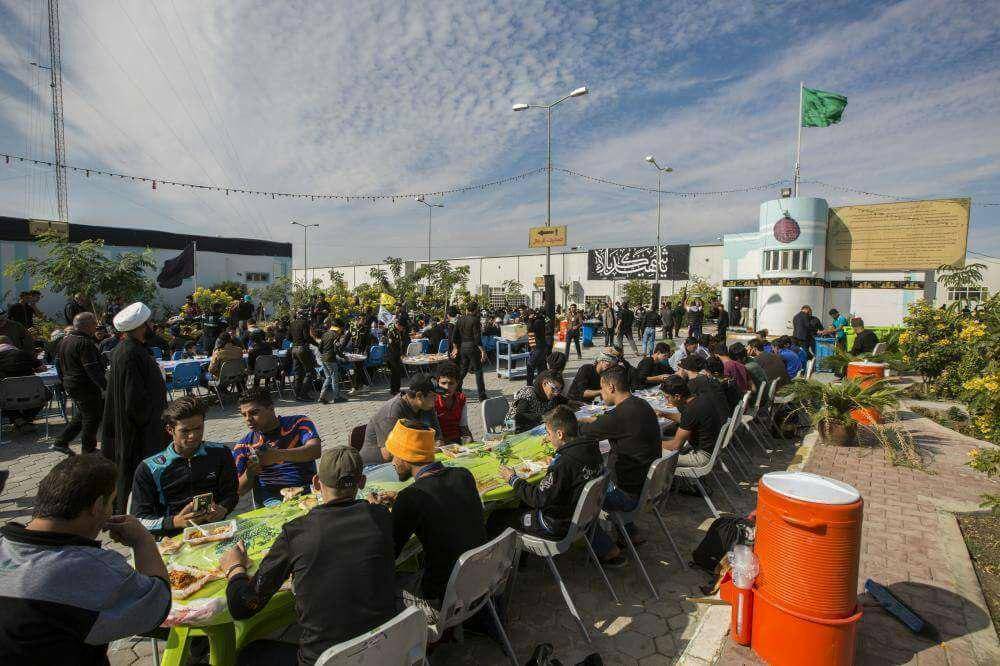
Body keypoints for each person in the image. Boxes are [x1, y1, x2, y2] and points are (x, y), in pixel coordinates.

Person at [221, 446, 397, 666]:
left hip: (325, 659)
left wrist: (235, 568)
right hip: (386, 649)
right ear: (361, 482)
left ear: (315, 483)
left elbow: (243, 606)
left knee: (250, 654)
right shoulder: (381, 516)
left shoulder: (296, 533)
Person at [0, 455, 171, 666]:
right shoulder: (85, 568)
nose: (110, 512)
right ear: (97, 505)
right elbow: (156, 604)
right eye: (110, 503)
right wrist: (143, 540)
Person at [382, 420, 487, 618]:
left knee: (384, 584)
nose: (393, 462)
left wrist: (378, 513)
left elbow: (389, 552)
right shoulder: (463, 475)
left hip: (443, 597)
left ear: (405, 456)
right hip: (479, 579)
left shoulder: (412, 497)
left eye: (394, 455)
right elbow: (440, 496)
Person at [579, 366, 661, 566]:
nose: (602, 393)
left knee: (577, 493)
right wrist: (597, 421)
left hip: (627, 493)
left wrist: (581, 422)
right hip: (646, 486)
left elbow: (585, 432)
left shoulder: (621, 414)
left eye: (602, 388)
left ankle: (607, 550)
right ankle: (630, 533)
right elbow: (609, 424)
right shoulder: (641, 405)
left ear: (612, 387)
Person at [489, 405, 604, 538]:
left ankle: (506, 557)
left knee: (496, 517)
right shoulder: (592, 447)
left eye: (549, 434)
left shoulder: (564, 463)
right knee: (522, 503)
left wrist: (513, 479)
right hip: (584, 516)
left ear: (560, 434)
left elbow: (539, 498)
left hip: (557, 523)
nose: (548, 439)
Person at [130, 396, 238, 536]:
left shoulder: (221, 453)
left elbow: (231, 494)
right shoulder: (149, 468)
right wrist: (175, 522)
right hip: (171, 539)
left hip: (217, 530)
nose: (193, 435)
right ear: (170, 430)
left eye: (198, 428)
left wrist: (223, 508)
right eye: (185, 431)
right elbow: (139, 519)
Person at [101, 303, 169, 514]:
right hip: (139, 430)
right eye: (149, 324)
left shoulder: (131, 349)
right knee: (135, 470)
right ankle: (133, 513)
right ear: (142, 326)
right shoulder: (130, 353)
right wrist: (151, 422)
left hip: (142, 425)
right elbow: (134, 398)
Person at [233, 387, 322, 507]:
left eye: (254, 413)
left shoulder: (298, 423)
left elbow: (315, 450)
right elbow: (239, 490)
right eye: (244, 415)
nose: (248, 419)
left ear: (271, 409)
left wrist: (279, 455)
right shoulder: (244, 445)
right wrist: (250, 473)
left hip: (308, 491)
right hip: (272, 499)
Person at [51, 313, 107, 455]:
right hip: (84, 385)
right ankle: (88, 449)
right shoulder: (84, 343)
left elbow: (58, 364)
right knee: (92, 417)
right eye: (95, 323)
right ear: (88, 325)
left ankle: (61, 441)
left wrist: (63, 381)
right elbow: (91, 367)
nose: (96, 326)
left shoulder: (65, 341)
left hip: (71, 383)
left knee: (84, 413)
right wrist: (105, 386)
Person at [361, 374, 443, 466]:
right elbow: (391, 453)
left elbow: (437, 436)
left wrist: (437, 443)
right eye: (434, 396)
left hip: (411, 459)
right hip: (376, 465)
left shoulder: (426, 405)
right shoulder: (392, 413)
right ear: (419, 396)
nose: (436, 400)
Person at [661, 374, 723, 469]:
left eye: (667, 397)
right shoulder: (701, 399)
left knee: (651, 453)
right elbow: (687, 420)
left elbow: (675, 446)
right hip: (713, 449)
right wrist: (663, 414)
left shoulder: (691, 410)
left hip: (702, 457)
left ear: (677, 396)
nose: (666, 400)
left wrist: (654, 443)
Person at [0, 335, 47, 432]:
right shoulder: (24, 354)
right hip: (32, 393)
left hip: (7, 394)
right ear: (11, 344)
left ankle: (19, 420)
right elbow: (41, 368)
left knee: (4, 399)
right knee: (46, 394)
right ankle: (26, 419)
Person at [453, 301, 489, 401]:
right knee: (478, 371)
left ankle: (456, 389)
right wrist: (483, 351)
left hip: (463, 347)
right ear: (476, 309)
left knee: (463, 370)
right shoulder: (475, 320)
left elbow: (454, 336)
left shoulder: (460, 319)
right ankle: (482, 396)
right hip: (473, 347)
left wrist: (456, 348)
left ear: (467, 309)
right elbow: (477, 338)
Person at [434, 361, 472, 444]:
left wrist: (469, 439)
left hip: (457, 441)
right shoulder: (432, 401)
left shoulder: (461, 399)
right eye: (443, 383)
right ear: (437, 382)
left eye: (451, 383)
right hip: (439, 442)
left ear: (457, 383)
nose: (447, 387)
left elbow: (463, 426)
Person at [288, 310, 318, 400]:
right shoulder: (304, 323)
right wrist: (317, 344)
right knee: (310, 371)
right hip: (302, 349)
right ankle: (303, 394)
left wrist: (295, 341)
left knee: (297, 372)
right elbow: (307, 337)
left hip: (294, 349)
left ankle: (297, 394)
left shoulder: (292, 323)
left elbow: (288, 337)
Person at [318, 318, 348, 405]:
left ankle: (322, 396)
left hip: (323, 358)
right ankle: (336, 397)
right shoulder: (336, 335)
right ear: (339, 327)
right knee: (334, 378)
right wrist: (343, 357)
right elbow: (337, 349)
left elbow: (320, 348)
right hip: (331, 359)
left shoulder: (325, 334)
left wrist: (324, 354)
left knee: (328, 378)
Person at [525, 308, 549, 385]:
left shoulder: (537, 322)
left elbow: (530, 330)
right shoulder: (540, 320)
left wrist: (530, 320)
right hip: (540, 347)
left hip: (538, 347)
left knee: (530, 365)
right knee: (541, 368)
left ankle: (529, 385)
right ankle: (542, 385)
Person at [385, 318, 405, 395]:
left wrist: (401, 353)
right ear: (397, 325)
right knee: (394, 372)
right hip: (392, 355)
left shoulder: (398, 332)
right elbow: (392, 346)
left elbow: (400, 344)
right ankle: (393, 390)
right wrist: (400, 354)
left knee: (398, 372)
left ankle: (397, 388)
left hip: (397, 355)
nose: (402, 329)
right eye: (401, 327)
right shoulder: (391, 332)